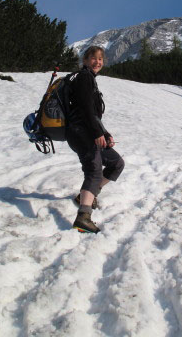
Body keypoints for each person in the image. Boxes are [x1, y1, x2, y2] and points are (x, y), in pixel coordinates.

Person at [66, 46, 124, 233]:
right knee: (94, 170)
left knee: (116, 163)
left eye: (100, 59)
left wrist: (105, 134)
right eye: (93, 58)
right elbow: (85, 110)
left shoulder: (90, 79)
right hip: (80, 132)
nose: (97, 62)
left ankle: (86, 196)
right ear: (85, 60)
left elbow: (94, 115)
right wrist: (97, 133)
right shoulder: (83, 78)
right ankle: (83, 217)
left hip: (90, 131)